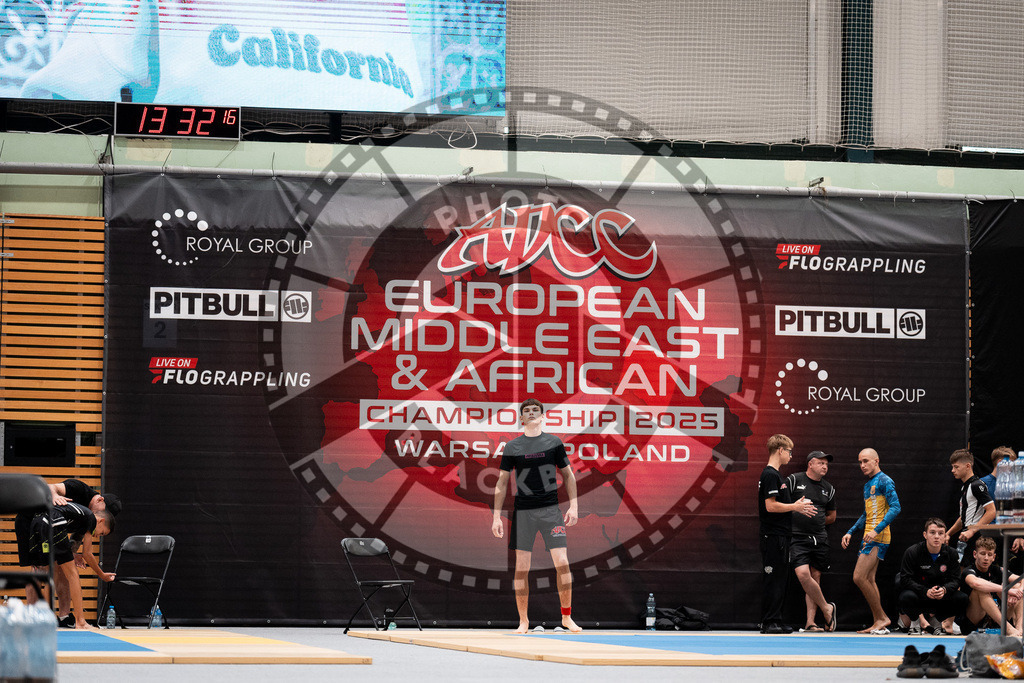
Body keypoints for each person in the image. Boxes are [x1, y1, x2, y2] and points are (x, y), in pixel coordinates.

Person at [491, 398, 581, 633]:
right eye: (526, 411)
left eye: (535, 411)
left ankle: (567, 617)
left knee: (562, 563)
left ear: (543, 417)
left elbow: (569, 476)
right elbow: (501, 483)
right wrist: (496, 517)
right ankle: (523, 621)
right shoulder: (512, 447)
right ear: (521, 418)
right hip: (523, 512)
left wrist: (574, 506)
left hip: (551, 510)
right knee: (522, 568)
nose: (531, 413)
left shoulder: (554, 443)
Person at [15, 502, 115, 630]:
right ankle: (81, 622)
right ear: (101, 520)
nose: (98, 536)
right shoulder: (91, 519)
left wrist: (72, 553)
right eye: (102, 533)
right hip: (53, 521)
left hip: (37, 523)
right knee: (72, 574)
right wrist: (102, 575)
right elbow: (87, 554)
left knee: (50, 575)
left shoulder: (80, 519)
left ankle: (44, 619)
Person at [757, 434, 816, 634]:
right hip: (773, 536)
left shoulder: (776, 475)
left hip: (781, 536)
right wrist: (795, 507)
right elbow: (770, 506)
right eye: (789, 451)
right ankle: (768, 622)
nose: (791, 456)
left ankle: (775, 619)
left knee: (781, 580)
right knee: (773, 579)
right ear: (780, 450)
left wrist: (796, 506)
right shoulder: (770, 475)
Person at [841, 447, 901, 634]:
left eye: (866, 461)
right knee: (869, 579)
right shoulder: (868, 485)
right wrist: (851, 531)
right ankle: (878, 621)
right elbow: (867, 514)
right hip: (869, 534)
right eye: (860, 462)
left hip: (878, 536)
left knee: (859, 577)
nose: (862, 465)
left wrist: (876, 530)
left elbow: (896, 507)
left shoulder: (884, 480)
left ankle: (882, 617)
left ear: (876, 461)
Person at [48, 479, 122, 628]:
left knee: (62, 569)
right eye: (103, 512)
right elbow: (88, 554)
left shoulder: (89, 518)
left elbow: (75, 547)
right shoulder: (80, 489)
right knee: (49, 571)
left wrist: (73, 554)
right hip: (44, 520)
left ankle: (63, 617)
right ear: (100, 500)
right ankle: (78, 621)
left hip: (51, 526)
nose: (101, 515)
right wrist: (54, 496)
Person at [786, 450, 838, 632]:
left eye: (826, 464)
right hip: (797, 537)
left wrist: (817, 518)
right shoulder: (794, 480)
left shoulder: (829, 488)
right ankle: (827, 608)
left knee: (816, 577)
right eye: (821, 463)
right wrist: (797, 510)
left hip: (820, 538)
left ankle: (810, 622)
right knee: (802, 575)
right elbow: (778, 505)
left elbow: (832, 516)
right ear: (810, 464)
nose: (825, 467)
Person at [897, 518, 968, 635]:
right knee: (904, 594)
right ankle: (915, 623)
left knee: (962, 598)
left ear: (945, 536)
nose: (936, 537)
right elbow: (905, 579)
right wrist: (925, 591)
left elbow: (956, 580)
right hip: (919, 595)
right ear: (925, 535)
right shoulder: (912, 551)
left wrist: (944, 590)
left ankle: (937, 622)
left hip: (940, 597)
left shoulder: (951, 553)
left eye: (941, 534)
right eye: (932, 533)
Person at [960, 536, 1023, 637]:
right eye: (982, 553)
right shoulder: (968, 571)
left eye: (989, 555)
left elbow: (1022, 579)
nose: (986, 558)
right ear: (975, 554)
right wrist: (1007, 591)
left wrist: (1017, 591)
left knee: (1018, 588)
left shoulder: (997, 570)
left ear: (993, 557)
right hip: (974, 620)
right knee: (981, 589)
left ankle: (1020, 629)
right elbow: (975, 583)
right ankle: (1009, 629)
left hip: (996, 618)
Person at [945, 449, 995, 565]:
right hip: (967, 534)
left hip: (976, 535)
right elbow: (964, 517)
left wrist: (972, 530)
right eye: (952, 467)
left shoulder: (977, 485)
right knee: (961, 572)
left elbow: (991, 511)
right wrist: (948, 533)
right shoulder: (965, 487)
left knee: (972, 573)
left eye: (956, 467)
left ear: (968, 466)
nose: (953, 470)